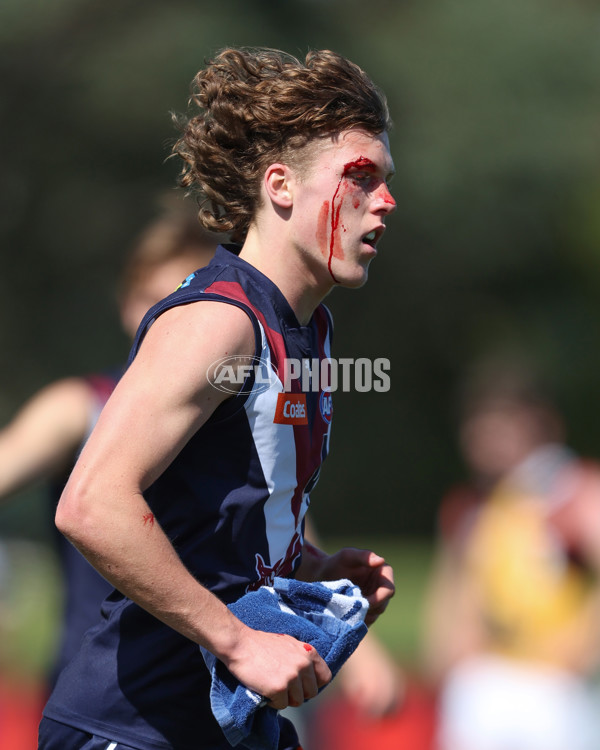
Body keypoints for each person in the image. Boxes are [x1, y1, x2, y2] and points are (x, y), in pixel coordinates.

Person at [37, 47, 397, 750]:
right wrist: (238, 642)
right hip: (129, 730)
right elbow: (91, 504)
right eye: (360, 179)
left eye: (386, 182)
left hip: (218, 729)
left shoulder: (309, 332)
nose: (385, 201)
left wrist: (307, 567)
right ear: (280, 186)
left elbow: (215, 515)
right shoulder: (219, 324)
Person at [0, 202, 218, 689]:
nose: (157, 315)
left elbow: (290, 534)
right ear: (124, 303)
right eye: (145, 296)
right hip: (99, 700)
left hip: (219, 699)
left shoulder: (239, 416)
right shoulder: (79, 406)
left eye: (178, 298)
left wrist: (364, 660)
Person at [423, 360, 600, 750]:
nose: (485, 437)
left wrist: (583, 646)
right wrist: (449, 661)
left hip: (554, 686)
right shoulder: (469, 508)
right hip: (484, 683)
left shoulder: (576, 492)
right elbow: (453, 600)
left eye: (501, 423)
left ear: (538, 423)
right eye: (478, 425)